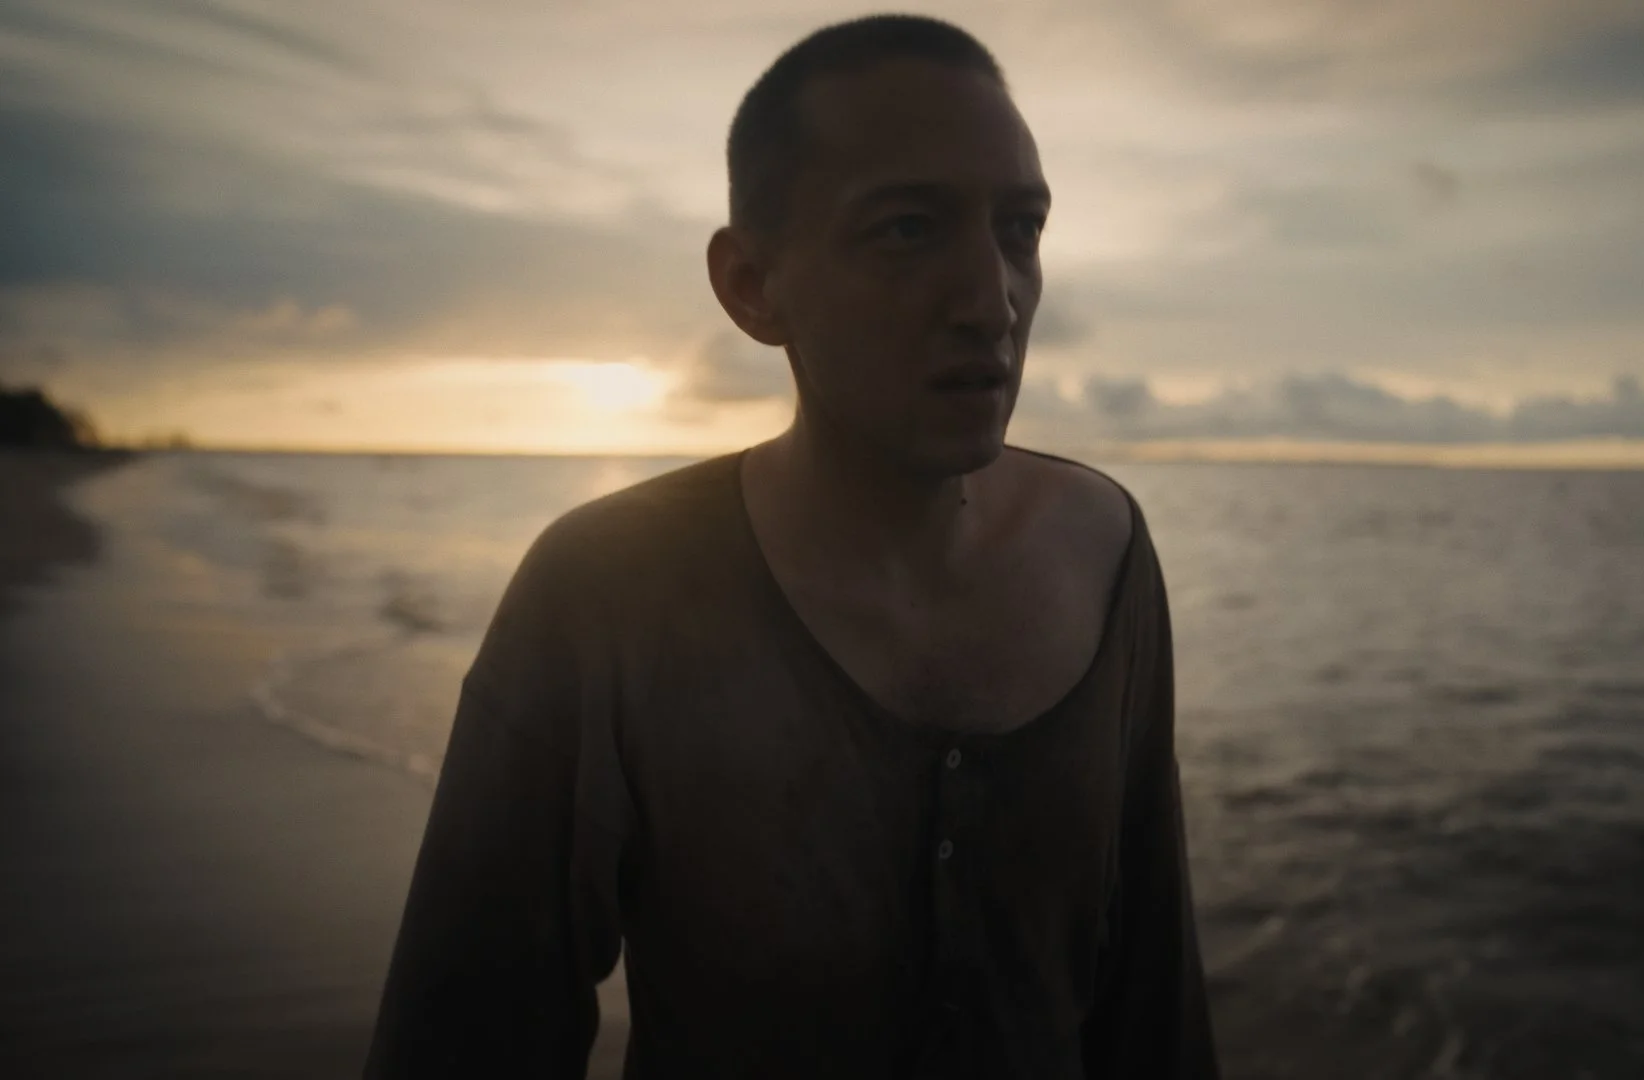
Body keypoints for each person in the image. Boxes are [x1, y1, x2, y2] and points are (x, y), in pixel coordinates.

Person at [365, 14, 1217, 1078]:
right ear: (752, 286)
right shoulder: (608, 591)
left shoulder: (1102, 550)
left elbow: (1153, 1010)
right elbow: (463, 1041)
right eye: (908, 229)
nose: (991, 300)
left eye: (1020, 230)